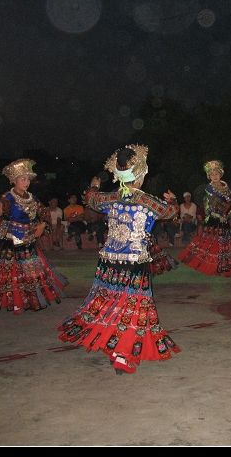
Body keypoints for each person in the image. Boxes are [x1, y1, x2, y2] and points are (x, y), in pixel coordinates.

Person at [57, 144, 181, 374]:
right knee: (132, 307)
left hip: (109, 263)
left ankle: (111, 343)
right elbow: (171, 212)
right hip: (134, 263)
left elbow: (90, 199)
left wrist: (94, 185)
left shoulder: (110, 197)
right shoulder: (148, 201)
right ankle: (122, 355)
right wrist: (173, 200)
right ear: (140, 175)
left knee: (110, 303)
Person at [0, 159, 68, 314]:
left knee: (30, 272)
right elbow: (0, 216)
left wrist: (43, 224)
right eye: (23, 179)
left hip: (28, 239)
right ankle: (14, 301)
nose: (26, 182)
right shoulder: (7, 198)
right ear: (14, 180)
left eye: (28, 179)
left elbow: (44, 212)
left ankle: (30, 300)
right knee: (12, 273)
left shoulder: (32, 197)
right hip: (11, 240)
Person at [178, 160, 231, 276]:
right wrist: (223, 211)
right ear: (209, 176)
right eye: (212, 174)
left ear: (221, 174)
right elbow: (212, 204)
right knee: (212, 243)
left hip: (225, 219)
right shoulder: (209, 189)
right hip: (214, 219)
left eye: (217, 174)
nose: (215, 176)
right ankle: (213, 266)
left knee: (226, 243)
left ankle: (226, 266)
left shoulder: (226, 188)